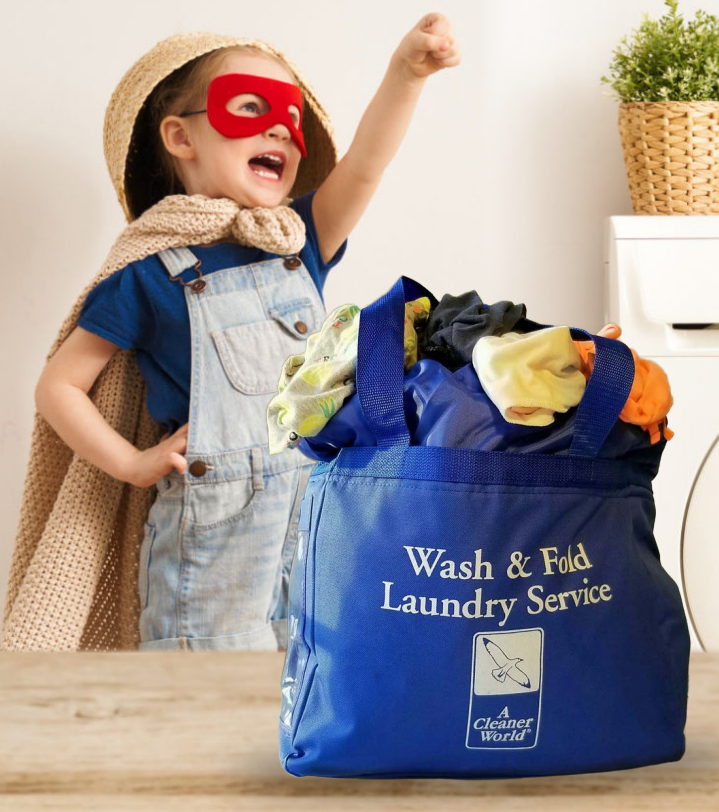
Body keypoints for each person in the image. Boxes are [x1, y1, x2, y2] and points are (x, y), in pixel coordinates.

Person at [2, 16, 460, 652]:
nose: (280, 127)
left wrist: (406, 75)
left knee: (312, 675)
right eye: (250, 106)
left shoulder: (300, 244)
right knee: (203, 688)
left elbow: (363, 168)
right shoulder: (149, 275)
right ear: (180, 137)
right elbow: (58, 386)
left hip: (311, 516)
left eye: (291, 118)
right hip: (210, 543)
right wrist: (132, 465)